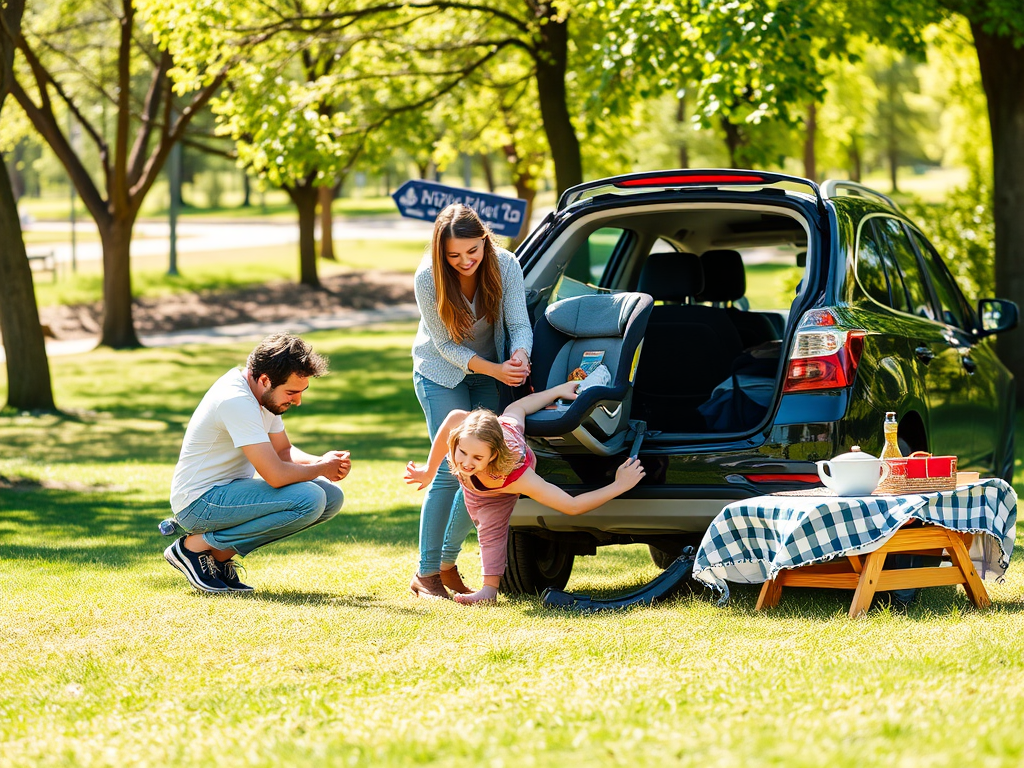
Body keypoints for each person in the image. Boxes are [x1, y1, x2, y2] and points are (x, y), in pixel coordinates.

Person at [404, 381, 646, 604]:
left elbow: (572, 506)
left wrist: (619, 485)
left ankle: (489, 591)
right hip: (476, 483)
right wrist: (428, 470)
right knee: (470, 502)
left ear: (494, 455)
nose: (466, 461)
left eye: (477, 457)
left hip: (498, 485)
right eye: (462, 452)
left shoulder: (516, 475)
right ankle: (445, 566)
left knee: (491, 530)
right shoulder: (461, 425)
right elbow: (516, 406)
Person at [409, 203, 533, 599]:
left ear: (484, 239)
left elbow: (518, 324)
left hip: (490, 372)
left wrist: (520, 356)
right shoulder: (427, 277)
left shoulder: (506, 264)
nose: (464, 261)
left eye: (472, 251)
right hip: (441, 372)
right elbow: (444, 344)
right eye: (453, 255)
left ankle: (446, 565)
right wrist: (495, 370)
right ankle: (426, 574)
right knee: (452, 469)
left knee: (481, 471)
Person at [165, 333, 350, 594]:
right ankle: (193, 548)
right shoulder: (236, 400)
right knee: (309, 498)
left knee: (330, 497)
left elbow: (284, 451)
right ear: (265, 380)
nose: (298, 401)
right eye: (292, 392)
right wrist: (322, 469)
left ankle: (218, 557)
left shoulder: (262, 396)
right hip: (199, 503)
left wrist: (323, 462)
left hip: (228, 493)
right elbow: (275, 475)